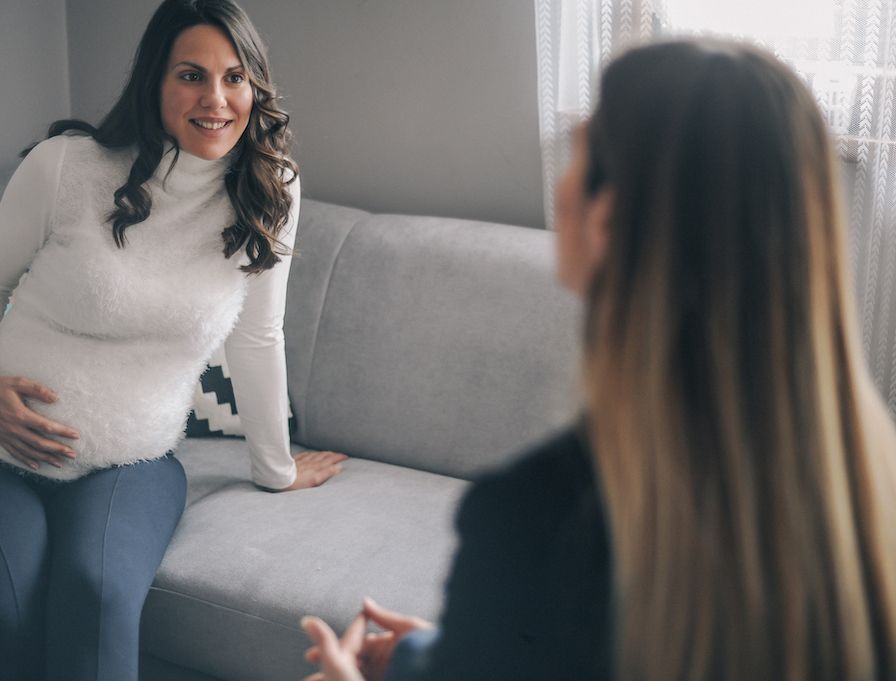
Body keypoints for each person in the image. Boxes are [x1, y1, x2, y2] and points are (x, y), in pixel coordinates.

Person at [301, 39, 896, 681]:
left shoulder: (538, 517)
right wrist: (446, 654)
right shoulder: (866, 491)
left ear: (607, 219)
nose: (560, 183)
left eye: (578, 152)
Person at [0, 1, 346, 680]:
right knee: (8, 623)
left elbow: (259, 337)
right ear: (154, 83)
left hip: (131, 466)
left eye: (234, 77)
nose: (216, 99)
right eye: (191, 75)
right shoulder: (67, 166)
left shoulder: (270, 191)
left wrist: (277, 467)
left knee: (100, 595)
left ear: (254, 87)